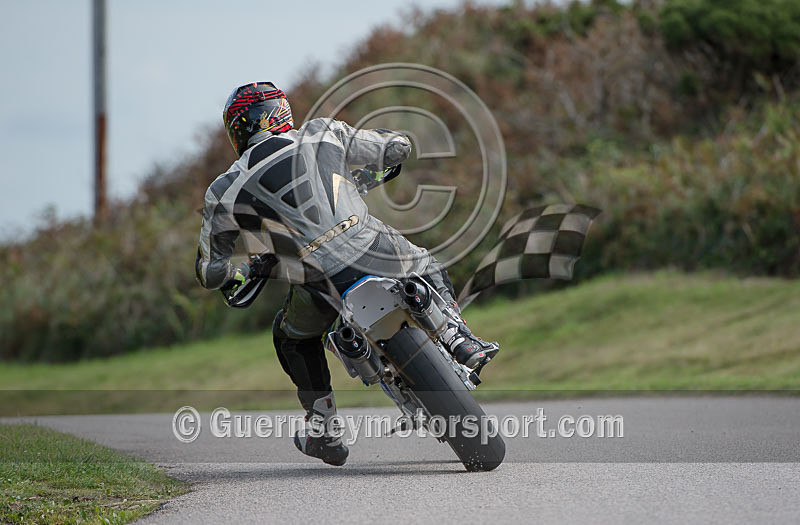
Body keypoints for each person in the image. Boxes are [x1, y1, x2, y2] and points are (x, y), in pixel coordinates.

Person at [195, 81, 498, 466]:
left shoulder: (223, 189)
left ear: (241, 130)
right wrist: (381, 156)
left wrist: (239, 272)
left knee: (291, 337)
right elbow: (396, 147)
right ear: (280, 112)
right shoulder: (323, 133)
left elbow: (209, 269)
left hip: (315, 279)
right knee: (425, 263)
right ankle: (461, 338)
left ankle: (323, 426)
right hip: (374, 248)